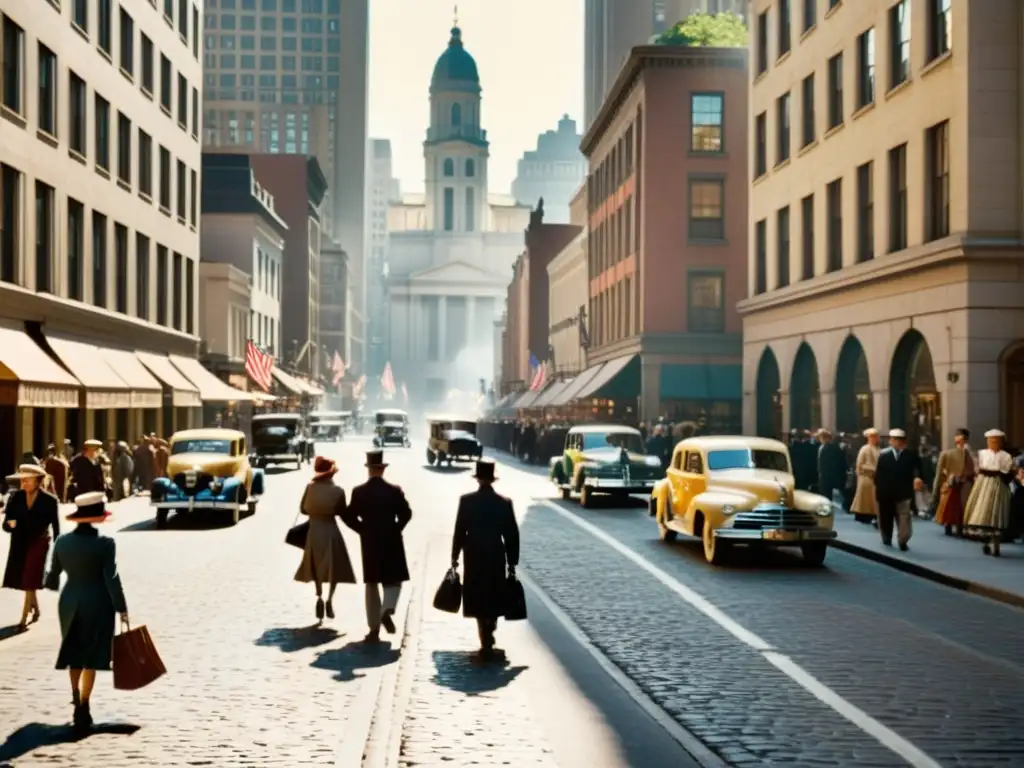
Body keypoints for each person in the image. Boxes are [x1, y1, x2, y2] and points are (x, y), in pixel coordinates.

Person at [45, 491, 129, 731]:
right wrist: (121, 606)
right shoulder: (105, 544)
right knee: (91, 655)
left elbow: (52, 578)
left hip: (69, 600)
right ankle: (84, 702)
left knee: (74, 651)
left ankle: (74, 694)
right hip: (97, 601)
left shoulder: (61, 542)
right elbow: (111, 578)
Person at [450, 460, 520, 659]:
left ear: (478, 479)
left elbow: (459, 532)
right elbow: (511, 535)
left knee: (477, 594)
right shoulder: (504, 503)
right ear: (492, 480)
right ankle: (491, 627)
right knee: (494, 593)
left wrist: (454, 557)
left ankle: (484, 636)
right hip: (495, 553)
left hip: (472, 553)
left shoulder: (466, 501)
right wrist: (512, 562)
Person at [341, 451, 412, 643]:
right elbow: (406, 513)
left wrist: (362, 529)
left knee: (371, 584)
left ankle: (374, 629)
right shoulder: (394, 490)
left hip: (370, 538)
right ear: (382, 469)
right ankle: (387, 608)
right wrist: (397, 528)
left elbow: (348, 515)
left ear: (369, 469)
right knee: (394, 579)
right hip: (391, 537)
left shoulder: (359, 491)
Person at [294, 456, 356, 621]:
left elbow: (303, 509)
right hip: (330, 529)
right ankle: (329, 599)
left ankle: (319, 595)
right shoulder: (338, 491)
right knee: (334, 566)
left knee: (315, 565)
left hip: (314, 530)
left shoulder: (310, 487)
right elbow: (342, 512)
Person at [2, 464, 60, 628]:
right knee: (28, 578)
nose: (24, 483)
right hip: (20, 543)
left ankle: (23, 617)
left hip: (40, 542)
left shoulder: (50, 500)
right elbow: (7, 523)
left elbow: (56, 527)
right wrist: (10, 525)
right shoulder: (16, 498)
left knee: (29, 577)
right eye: (22, 480)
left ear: (38, 480)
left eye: (27, 480)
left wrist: (57, 549)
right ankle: (36, 608)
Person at [963, 429, 1014, 557]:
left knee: (997, 515)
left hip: (999, 486)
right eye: (991, 440)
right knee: (982, 512)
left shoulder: (1006, 456)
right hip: (983, 485)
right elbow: (978, 468)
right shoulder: (982, 454)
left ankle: (995, 545)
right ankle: (985, 541)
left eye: (996, 440)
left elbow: (1007, 472)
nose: (993, 443)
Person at [874, 429, 924, 551]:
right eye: (892, 440)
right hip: (886, 494)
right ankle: (886, 537)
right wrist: (879, 492)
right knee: (886, 517)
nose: (894, 442)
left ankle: (903, 540)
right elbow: (878, 476)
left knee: (904, 518)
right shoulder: (884, 456)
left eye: (898, 440)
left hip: (904, 492)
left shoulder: (910, 455)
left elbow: (919, 470)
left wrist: (917, 478)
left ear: (903, 442)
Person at [933, 428, 974, 537]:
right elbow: (939, 474)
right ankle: (949, 525)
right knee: (950, 505)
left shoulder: (969, 455)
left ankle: (958, 526)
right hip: (950, 483)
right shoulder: (947, 454)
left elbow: (972, 470)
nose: (960, 440)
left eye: (962, 438)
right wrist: (936, 489)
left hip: (964, 483)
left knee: (961, 505)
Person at [850, 428, 881, 524]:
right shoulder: (864, 449)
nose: (876, 439)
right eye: (873, 437)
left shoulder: (878, 449)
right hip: (866, 477)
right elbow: (860, 465)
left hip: (876, 478)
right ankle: (864, 515)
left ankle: (873, 514)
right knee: (865, 498)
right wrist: (872, 469)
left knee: (874, 498)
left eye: (876, 437)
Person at [816, 429, 847, 510]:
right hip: (830, 476)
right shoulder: (834, 448)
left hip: (827, 477)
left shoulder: (827, 448)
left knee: (827, 496)